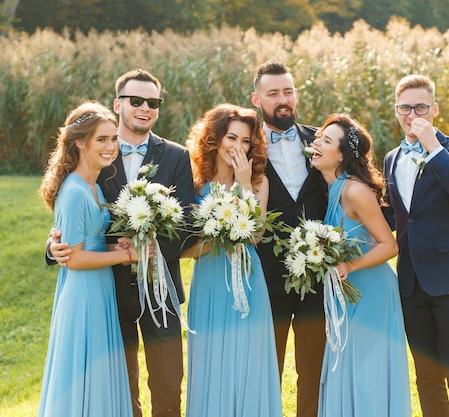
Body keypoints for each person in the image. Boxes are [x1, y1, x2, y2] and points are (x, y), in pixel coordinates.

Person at [48, 69, 196, 417]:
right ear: (118, 104)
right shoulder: (100, 155)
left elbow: (188, 222)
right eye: (136, 100)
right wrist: (52, 247)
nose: (145, 107)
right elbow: (77, 215)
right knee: (119, 387)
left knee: (168, 382)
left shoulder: (176, 156)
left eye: (153, 102)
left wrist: (150, 251)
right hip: (110, 293)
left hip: (161, 289)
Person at [382, 74, 449, 417]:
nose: (413, 115)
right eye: (405, 108)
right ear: (396, 111)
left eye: (421, 107)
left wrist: (434, 148)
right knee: (426, 378)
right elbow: (395, 216)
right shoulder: (391, 158)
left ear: (434, 109)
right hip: (411, 282)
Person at [182, 103, 282, 417]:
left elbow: (254, 235)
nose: (238, 147)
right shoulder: (195, 184)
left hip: (248, 281)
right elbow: (185, 249)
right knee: (211, 360)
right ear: (214, 139)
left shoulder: (258, 182)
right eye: (231, 138)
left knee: (248, 361)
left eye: (245, 142)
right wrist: (216, 237)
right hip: (210, 281)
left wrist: (242, 182)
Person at [310, 113, 411, 416]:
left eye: (325, 141)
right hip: (347, 294)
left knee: (367, 373)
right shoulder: (331, 188)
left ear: (340, 155)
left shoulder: (354, 190)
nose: (315, 143)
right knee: (347, 367)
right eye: (318, 137)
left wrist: (350, 267)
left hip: (371, 294)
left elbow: (389, 245)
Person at [37, 101, 134, 416]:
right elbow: (75, 259)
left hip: (98, 287)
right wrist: (123, 255)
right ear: (80, 142)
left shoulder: (94, 187)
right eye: (102, 139)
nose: (110, 147)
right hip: (82, 293)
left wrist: (116, 249)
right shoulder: (76, 191)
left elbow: (86, 246)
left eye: (113, 139)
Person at [251, 60, 327, 417]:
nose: (283, 100)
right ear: (257, 99)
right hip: (267, 276)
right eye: (273, 93)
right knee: (268, 366)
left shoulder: (321, 141)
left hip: (319, 276)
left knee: (314, 369)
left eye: (288, 91)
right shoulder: (245, 145)